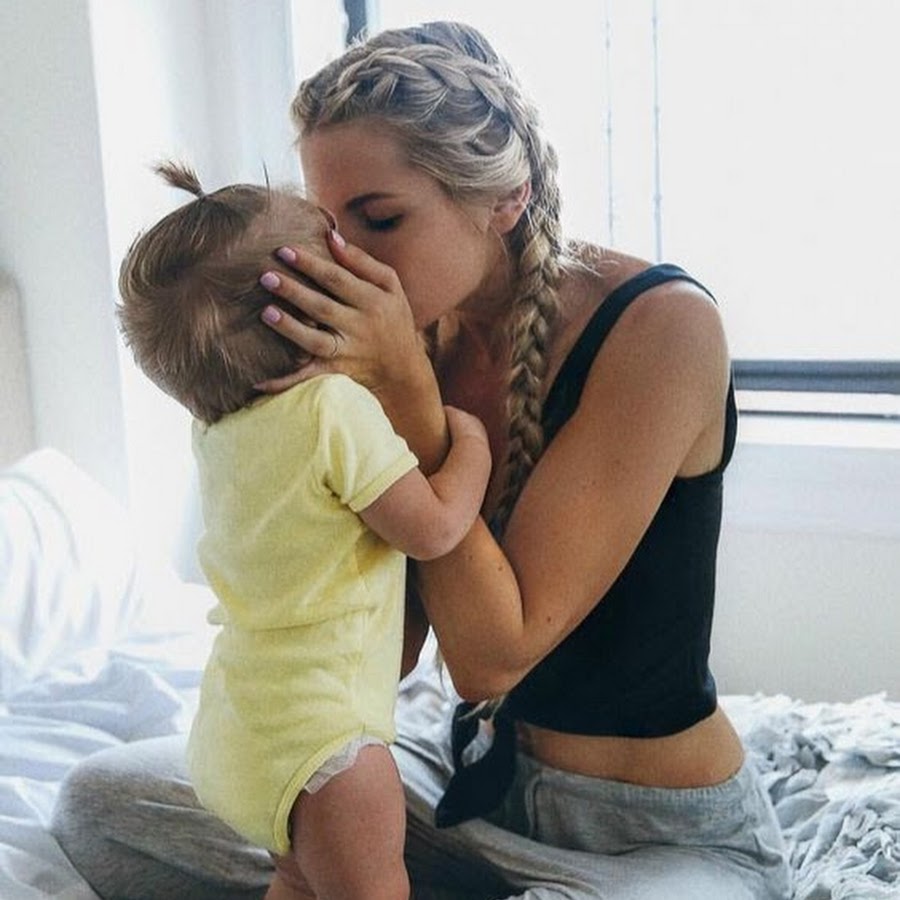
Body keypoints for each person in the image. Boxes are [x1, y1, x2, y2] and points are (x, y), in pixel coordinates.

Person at [52, 20, 792, 900]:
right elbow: (395, 649)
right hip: (462, 789)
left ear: (505, 198)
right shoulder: (393, 339)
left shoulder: (662, 327)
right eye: (327, 226)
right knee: (104, 801)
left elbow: (490, 658)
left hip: (653, 840)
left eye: (381, 219)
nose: (348, 260)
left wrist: (410, 399)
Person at [113, 160, 492, 900]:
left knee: (297, 877)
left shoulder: (215, 432)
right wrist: (469, 441)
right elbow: (434, 529)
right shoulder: (331, 412)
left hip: (242, 732)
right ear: (310, 308)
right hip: (329, 744)